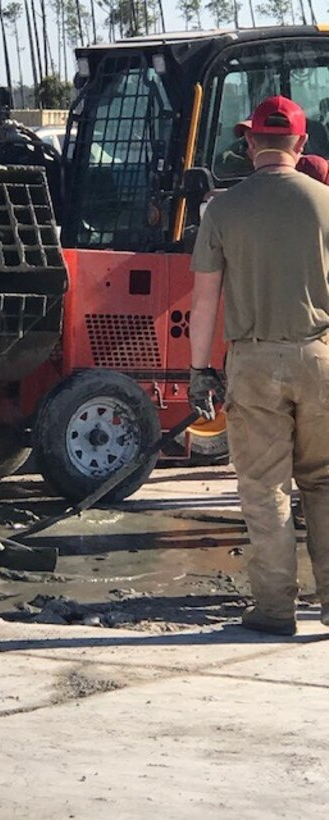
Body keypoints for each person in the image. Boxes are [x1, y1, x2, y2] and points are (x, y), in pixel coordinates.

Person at [189, 95, 329, 637]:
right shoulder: (325, 202)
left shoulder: (223, 210)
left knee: (265, 488)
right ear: (300, 143)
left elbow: (204, 301)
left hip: (252, 363)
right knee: (324, 483)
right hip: (320, 358)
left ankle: (275, 609)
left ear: (250, 144)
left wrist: (199, 372)